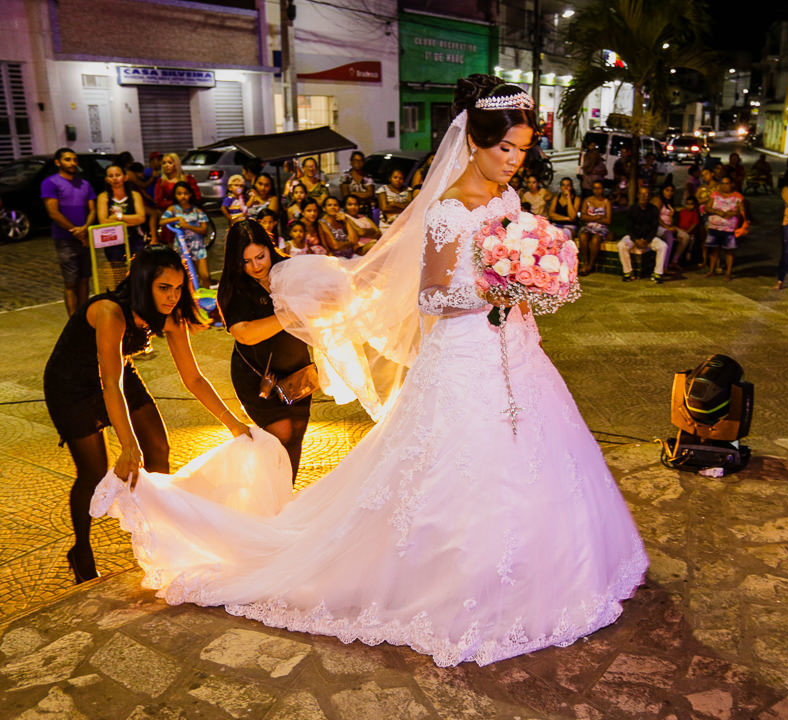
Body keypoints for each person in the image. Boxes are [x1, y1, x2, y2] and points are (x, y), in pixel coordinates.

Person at [91, 73, 647, 668]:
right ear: (474, 143)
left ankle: (556, 568)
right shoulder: (447, 210)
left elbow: (509, 265)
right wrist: (495, 291)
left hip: (517, 349)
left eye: (522, 149)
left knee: (539, 455)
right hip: (464, 354)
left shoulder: (508, 201)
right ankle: (459, 581)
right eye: (504, 148)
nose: (514, 161)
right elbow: (431, 297)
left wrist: (534, 278)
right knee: (458, 469)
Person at [44, 246, 249, 582]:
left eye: (178, 287)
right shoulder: (110, 311)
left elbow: (193, 377)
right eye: (164, 288)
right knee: (93, 473)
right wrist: (127, 445)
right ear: (143, 283)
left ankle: (161, 541)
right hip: (72, 385)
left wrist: (234, 423)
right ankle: (81, 551)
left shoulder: (171, 316)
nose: (172, 296)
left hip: (117, 372)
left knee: (158, 450)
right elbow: (109, 383)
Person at [218, 222, 313, 480]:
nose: (256, 266)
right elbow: (245, 333)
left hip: (297, 369)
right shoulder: (233, 287)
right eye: (246, 261)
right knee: (281, 434)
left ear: (270, 249)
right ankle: (271, 499)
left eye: (260, 256)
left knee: (296, 435)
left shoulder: (288, 270)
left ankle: (282, 499)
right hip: (259, 377)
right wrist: (291, 315)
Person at [43, 148, 97, 315]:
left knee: (84, 279)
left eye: (74, 159)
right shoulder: (50, 183)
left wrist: (85, 228)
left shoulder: (84, 184)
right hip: (65, 239)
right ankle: (73, 321)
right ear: (58, 162)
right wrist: (75, 231)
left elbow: (92, 210)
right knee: (71, 281)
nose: (73, 163)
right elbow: (53, 212)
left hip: (84, 238)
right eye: (68, 159)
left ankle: (83, 317)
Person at [96, 163, 147, 269]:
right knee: (118, 273)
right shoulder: (103, 197)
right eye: (111, 176)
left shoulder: (135, 195)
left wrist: (118, 217)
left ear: (125, 177)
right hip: (113, 240)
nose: (115, 178)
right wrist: (131, 220)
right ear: (106, 179)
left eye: (117, 175)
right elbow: (103, 221)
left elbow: (141, 218)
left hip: (135, 239)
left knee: (137, 270)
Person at [160, 182, 211, 288]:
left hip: (198, 247)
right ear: (175, 195)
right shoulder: (173, 209)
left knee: (205, 276)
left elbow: (204, 230)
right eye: (179, 193)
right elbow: (162, 221)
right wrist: (177, 218)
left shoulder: (197, 210)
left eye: (185, 193)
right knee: (187, 278)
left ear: (190, 194)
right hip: (181, 248)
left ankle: (206, 299)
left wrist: (187, 226)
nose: (183, 196)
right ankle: (191, 301)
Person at [618, 179, 667, 283]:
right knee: (621, 245)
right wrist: (636, 240)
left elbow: (654, 228)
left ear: (649, 196)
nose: (644, 197)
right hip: (634, 237)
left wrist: (647, 240)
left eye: (646, 195)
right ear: (638, 196)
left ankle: (657, 273)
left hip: (648, 238)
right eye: (641, 194)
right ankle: (628, 272)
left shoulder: (653, 209)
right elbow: (629, 227)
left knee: (663, 246)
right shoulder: (632, 209)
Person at [704, 176, 745, 280]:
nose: (724, 186)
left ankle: (728, 273)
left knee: (729, 251)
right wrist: (717, 211)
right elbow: (707, 207)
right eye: (722, 183)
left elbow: (742, 211)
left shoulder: (738, 196)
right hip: (714, 226)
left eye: (727, 183)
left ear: (731, 184)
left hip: (729, 228)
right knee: (714, 250)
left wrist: (732, 213)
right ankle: (711, 270)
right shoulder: (715, 195)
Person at [654, 183, 689, 273]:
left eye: (671, 191)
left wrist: (671, 222)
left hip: (668, 226)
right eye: (667, 190)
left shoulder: (670, 203)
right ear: (663, 191)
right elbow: (655, 216)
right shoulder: (659, 200)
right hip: (659, 226)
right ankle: (664, 267)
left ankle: (674, 261)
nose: (669, 193)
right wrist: (666, 227)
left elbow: (671, 220)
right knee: (669, 237)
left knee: (685, 237)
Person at [578, 180, 610, 275]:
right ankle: (585, 262)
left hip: (601, 228)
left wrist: (591, 218)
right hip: (589, 227)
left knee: (595, 240)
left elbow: (608, 220)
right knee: (583, 236)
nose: (597, 190)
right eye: (595, 188)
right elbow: (582, 216)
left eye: (599, 188)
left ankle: (590, 265)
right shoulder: (587, 201)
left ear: (603, 189)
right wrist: (597, 217)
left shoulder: (606, 202)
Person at [340, 151, 375, 218]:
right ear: (351, 162)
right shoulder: (346, 176)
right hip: (350, 212)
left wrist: (353, 193)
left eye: (360, 160)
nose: (358, 163)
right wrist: (364, 194)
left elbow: (370, 194)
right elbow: (346, 195)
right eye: (355, 160)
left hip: (366, 211)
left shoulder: (367, 176)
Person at [547, 176, 579, 241]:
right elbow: (551, 214)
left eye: (568, 185)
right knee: (550, 233)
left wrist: (569, 198)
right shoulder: (556, 198)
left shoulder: (576, 199)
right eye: (563, 185)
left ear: (571, 187)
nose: (565, 188)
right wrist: (567, 218)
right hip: (557, 224)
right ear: (561, 187)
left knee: (565, 232)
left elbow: (572, 216)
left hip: (570, 226)